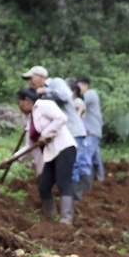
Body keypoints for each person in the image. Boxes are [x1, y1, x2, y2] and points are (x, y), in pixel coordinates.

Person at [21, 66, 90, 200]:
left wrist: (43, 90)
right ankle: (69, 200)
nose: (30, 82)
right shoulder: (41, 97)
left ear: (40, 76)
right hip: (59, 136)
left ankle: (76, 202)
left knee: (73, 167)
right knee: (61, 170)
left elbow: (66, 95)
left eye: (31, 78)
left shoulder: (56, 83)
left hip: (73, 131)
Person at [16, 87, 77, 224]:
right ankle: (49, 217)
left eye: (19, 102)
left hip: (64, 148)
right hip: (50, 153)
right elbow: (28, 145)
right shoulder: (31, 118)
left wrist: (46, 133)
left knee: (63, 183)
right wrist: (11, 159)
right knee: (43, 186)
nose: (19, 107)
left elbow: (61, 118)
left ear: (26, 100)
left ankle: (66, 219)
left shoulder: (44, 105)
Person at [78, 78, 104, 181]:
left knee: (87, 155)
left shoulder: (89, 94)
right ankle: (100, 179)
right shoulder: (90, 95)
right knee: (95, 157)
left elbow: (78, 104)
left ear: (85, 85)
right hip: (93, 130)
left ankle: (86, 181)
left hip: (92, 130)